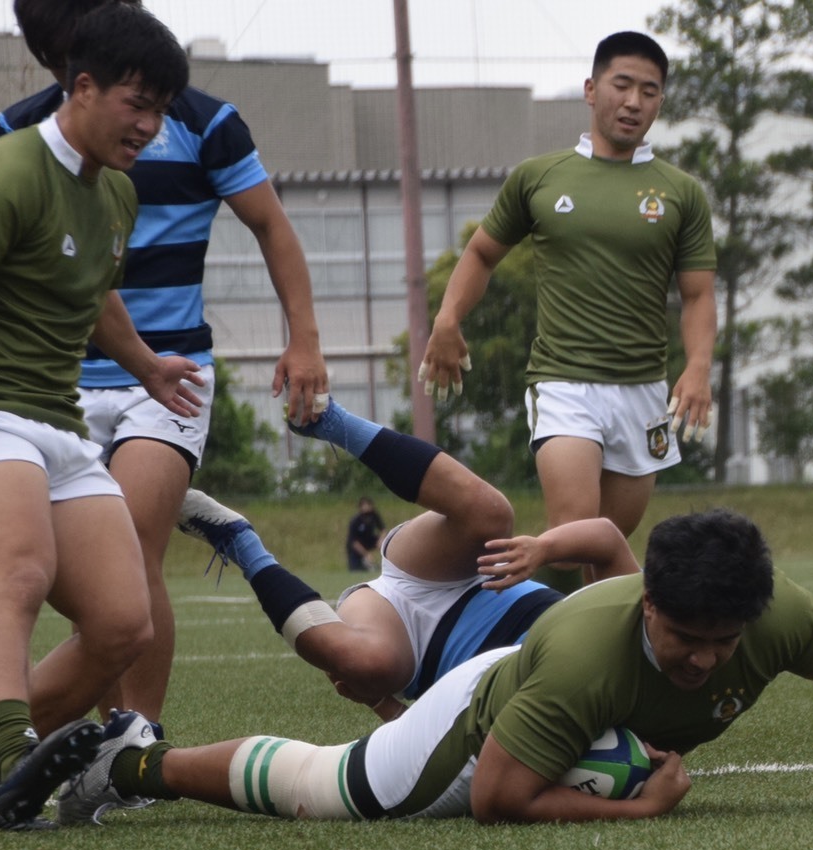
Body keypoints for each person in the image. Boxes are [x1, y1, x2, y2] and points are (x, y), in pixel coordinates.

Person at [0, 0, 329, 730]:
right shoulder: (22, 137)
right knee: (44, 578)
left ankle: (132, 738)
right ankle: (25, 740)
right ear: (71, 74)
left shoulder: (201, 124)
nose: (146, 124)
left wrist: (303, 340)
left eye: (153, 104)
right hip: (49, 390)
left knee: (133, 547)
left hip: (169, 378)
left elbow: (269, 224)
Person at [58, 508, 813, 827]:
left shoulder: (771, 615)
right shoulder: (588, 661)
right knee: (328, 788)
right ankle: (129, 761)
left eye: (723, 644)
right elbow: (499, 801)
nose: (704, 659)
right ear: (648, 604)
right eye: (684, 637)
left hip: (540, 691)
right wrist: (642, 809)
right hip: (479, 728)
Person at [0, 5, 198, 829]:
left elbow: (97, 299)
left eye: (161, 110)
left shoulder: (116, 196)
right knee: (20, 575)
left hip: (60, 423)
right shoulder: (9, 170)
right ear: (81, 87)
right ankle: (14, 751)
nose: (150, 126)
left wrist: (148, 365)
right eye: (136, 104)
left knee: (125, 624)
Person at [420, 30, 718, 587]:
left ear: (660, 103)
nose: (633, 102)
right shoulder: (540, 176)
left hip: (643, 392)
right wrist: (446, 321)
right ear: (591, 89)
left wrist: (699, 367)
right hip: (563, 384)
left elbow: (699, 294)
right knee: (576, 523)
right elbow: (482, 253)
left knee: (598, 546)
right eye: (621, 85)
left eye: (649, 91)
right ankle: (532, 649)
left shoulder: (681, 192)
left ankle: (526, 622)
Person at [173, 399, 639, 725]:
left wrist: (380, 702)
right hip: (463, 571)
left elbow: (446, 744)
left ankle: (240, 544)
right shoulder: (634, 641)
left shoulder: (567, 731)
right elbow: (607, 539)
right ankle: (331, 420)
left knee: (364, 663)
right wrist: (543, 549)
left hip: (414, 648)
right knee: (493, 515)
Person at [346, 496, 385, 571]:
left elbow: (383, 529)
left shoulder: (374, 515)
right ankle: (369, 566)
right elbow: (354, 542)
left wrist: (381, 540)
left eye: (368, 504)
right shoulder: (355, 520)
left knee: (385, 542)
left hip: (368, 540)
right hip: (356, 546)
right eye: (364, 505)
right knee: (356, 570)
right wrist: (366, 554)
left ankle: (385, 564)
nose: (366, 507)